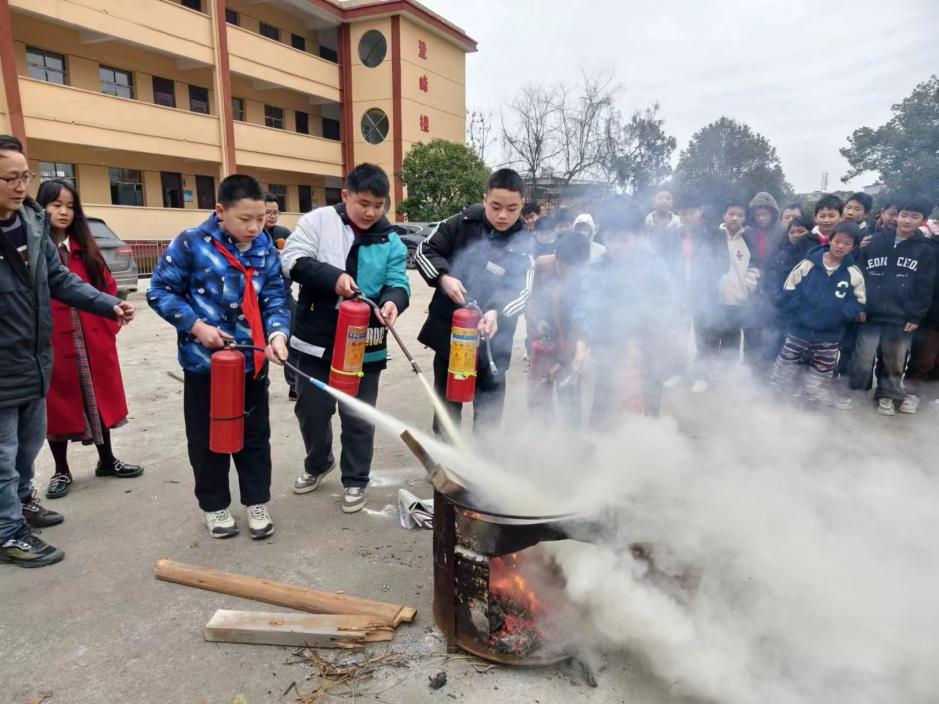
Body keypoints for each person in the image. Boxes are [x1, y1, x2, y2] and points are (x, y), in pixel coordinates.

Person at [0, 135, 134, 568]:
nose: (20, 187)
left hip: (33, 361)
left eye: (25, 177)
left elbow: (60, 280)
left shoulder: (31, 224)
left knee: (26, 448)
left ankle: (22, 506)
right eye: (10, 178)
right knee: (2, 457)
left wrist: (108, 303)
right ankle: (7, 534)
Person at [148, 174, 290, 538]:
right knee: (206, 437)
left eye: (261, 219)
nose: (255, 227)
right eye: (245, 219)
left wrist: (277, 334)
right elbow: (160, 291)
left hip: (252, 363)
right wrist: (197, 327)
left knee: (255, 435)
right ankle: (215, 506)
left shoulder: (264, 249)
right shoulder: (191, 244)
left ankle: (257, 501)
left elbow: (275, 295)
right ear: (220, 211)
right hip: (204, 365)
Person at [281, 164, 409, 514]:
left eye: (378, 205)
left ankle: (355, 480)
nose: (370, 212)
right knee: (313, 410)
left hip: (365, 342)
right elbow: (291, 261)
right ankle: (319, 462)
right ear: (345, 195)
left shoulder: (390, 239)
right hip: (315, 338)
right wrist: (333, 278)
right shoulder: (317, 222)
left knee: (358, 416)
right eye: (363, 203)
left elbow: (399, 280)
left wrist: (392, 302)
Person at [37, 180, 142, 500]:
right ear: (40, 208)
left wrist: (108, 328)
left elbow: (108, 289)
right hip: (53, 341)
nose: (63, 212)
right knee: (57, 406)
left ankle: (107, 460)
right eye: (55, 205)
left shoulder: (86, 250)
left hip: (92, 340)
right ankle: (61, 470)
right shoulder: (34, 249)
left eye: (70, 206)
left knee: (98, 401)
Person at [415, 168, 533, 436]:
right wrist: (443, 277)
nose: (503, 215)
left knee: (489, 409)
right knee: (447, 404)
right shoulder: (461, 223)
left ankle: (483, 464)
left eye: (512, 208)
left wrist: (495, 312)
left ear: (521, 205)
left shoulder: (524, 244)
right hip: (451, 336)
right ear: (484, 199)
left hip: (494, 341)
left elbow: (522, 291)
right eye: (496, 206)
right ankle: (447, 463)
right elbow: (425, 250)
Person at [574, 199, 674, 419]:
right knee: (604, 408)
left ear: (640, 237)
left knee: (645, 408)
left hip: (647, 351)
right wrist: (582, 340)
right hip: (608, 349)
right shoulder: (597, 267)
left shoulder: (654, 265)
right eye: (611, 239)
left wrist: (638, 337)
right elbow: (587, 306)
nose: (616, 246)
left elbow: (665, 305)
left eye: (624, 240)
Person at [848, 197, 936, 415]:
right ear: (896, 216)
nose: (907, 220)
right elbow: (859, 275)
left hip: (901, 316)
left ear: (923, 220)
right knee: (863, 357)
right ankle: (856, 391)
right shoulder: (875, 241)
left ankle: (887, 395)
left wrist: (916, 316)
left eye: (914, 217)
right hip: (870, 313)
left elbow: (925, 286)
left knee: (895, 360)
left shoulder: (924, 250)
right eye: (904, 215)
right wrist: (859, 305)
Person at [770, 222, 865, 407]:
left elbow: (859, 301)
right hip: (799, 329)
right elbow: (789, 287)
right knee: (786, 364)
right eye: (837, 241)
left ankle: (813, 400)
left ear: (853, 247)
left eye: (847, 243)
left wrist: (841, 315)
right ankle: (777, 396)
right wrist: (797, 308)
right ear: (830, 240)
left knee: (821, 370)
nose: (841, 246)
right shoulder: (808, 264)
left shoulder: (853, 273)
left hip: (829, 335)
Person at [690, 198, 760, 389]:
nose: (735, 218)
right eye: (731, 214)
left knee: (731, 342)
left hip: (737, 301)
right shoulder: (711, 236)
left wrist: (747, 286)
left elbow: (755, 267)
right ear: (724, 215)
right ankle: (703, 377)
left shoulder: (748, 240)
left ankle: (725, 380)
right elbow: (699, 264)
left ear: (745, 217)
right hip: (712, 301)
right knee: (708, 340)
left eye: (740, 215)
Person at [526, 233, 591, 426]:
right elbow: (528, 298)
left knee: (569, 388)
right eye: (564, 268)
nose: (568, 274)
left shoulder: (587, 278)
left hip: (569, 341)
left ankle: (573, 440)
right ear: (557, 256)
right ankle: (540, 436)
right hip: (541, 340)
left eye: (575, 270)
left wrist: (564, 362)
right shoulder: (541, 266)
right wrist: (536, 321)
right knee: (539, 391)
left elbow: (583, 321)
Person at [762, 216, 821, 369]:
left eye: (801, 231)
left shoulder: (819, 255)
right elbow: (771, 282)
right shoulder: (781, 255)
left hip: (811, 313)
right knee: (780, 347)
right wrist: (783, 302)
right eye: (792, 232)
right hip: (784, 311)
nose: (796, 235)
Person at [907, 222, 939, 399]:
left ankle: (932, 395)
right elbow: (924, 284)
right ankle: (912, 394)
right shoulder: (930, 248)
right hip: (932, 314)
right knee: (924, 359)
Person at [746, 192, 784, 265]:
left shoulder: (783, 230)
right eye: (757, 215)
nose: (761, 218)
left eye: (765, 214)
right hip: (752, 271)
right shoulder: (746, 232)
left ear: (773, 214)